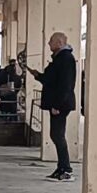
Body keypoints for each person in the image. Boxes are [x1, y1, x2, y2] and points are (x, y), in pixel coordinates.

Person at [32, 33, 77, 180]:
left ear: (59, 42)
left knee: (58, 135)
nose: (48, 43)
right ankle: (61, 167)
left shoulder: (66, 59)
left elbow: (66, 84)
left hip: (60, 104)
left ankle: (66, 169)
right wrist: (38, 75)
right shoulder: (59, 58)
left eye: (51, 41)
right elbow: (51, 80)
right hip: (58, 103)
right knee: (56, 135)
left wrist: (57, 104)